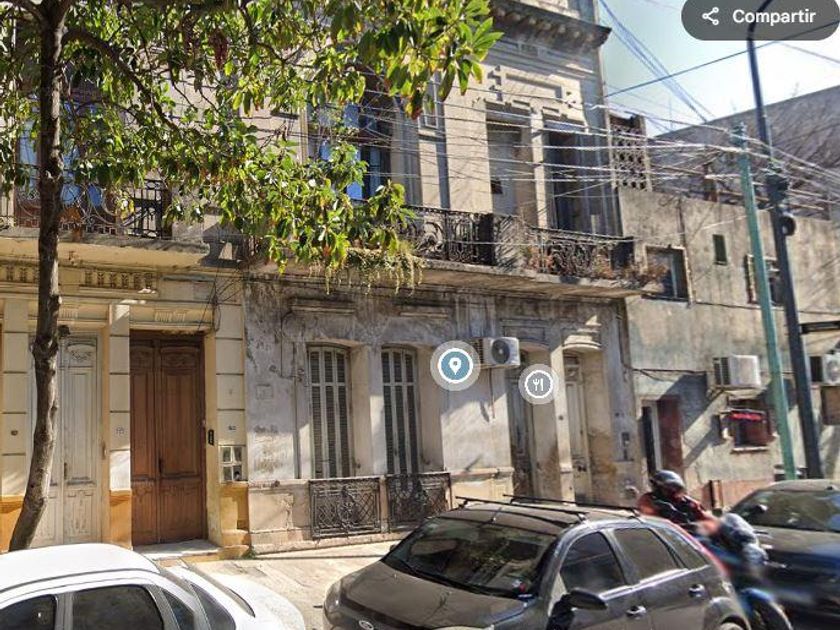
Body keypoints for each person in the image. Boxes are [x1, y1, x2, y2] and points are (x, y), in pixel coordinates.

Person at [638, 470, 719, 534]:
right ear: (658, 488)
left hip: (694, 536)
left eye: (676, 488)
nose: (674, 491)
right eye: (670, 488)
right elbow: (656, 523)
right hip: (671, 538)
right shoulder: (648, 500)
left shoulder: (685, 500)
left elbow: (704, 516)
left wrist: (719, 525)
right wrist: (682, 527)